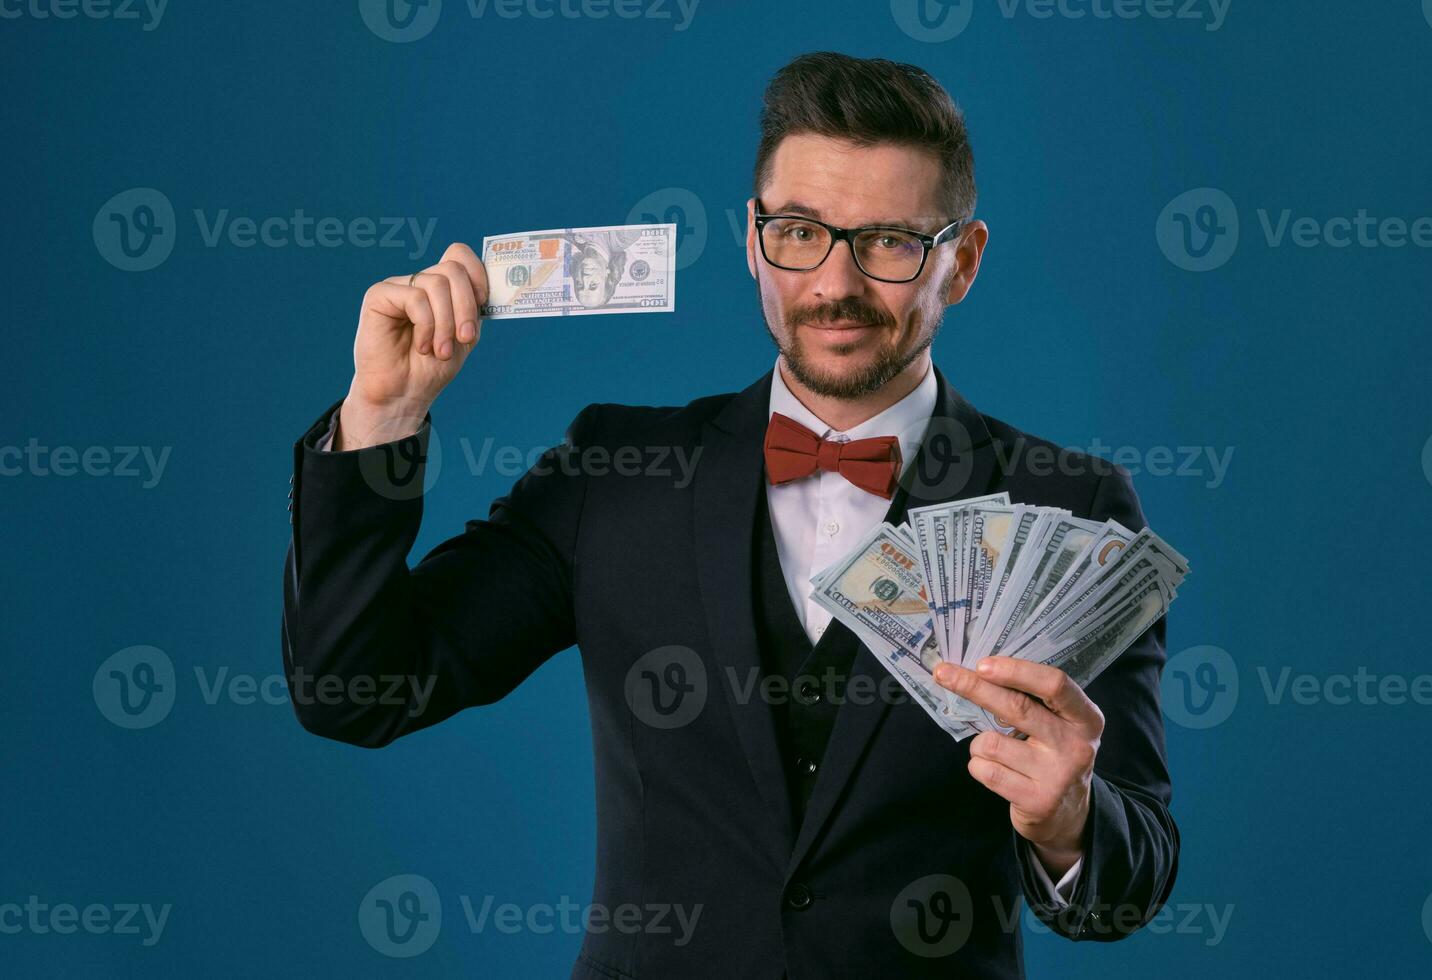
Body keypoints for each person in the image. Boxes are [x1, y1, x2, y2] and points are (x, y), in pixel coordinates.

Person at [282, 51, 1178, 978]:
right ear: (752, 239)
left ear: (962, 262)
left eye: (890, 242)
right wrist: (381, 415)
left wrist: (1069, 823)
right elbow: (356, 690)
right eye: (801, 231)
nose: (836, 284)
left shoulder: (1067, 506)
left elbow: (1129, 884)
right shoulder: (614, 473)